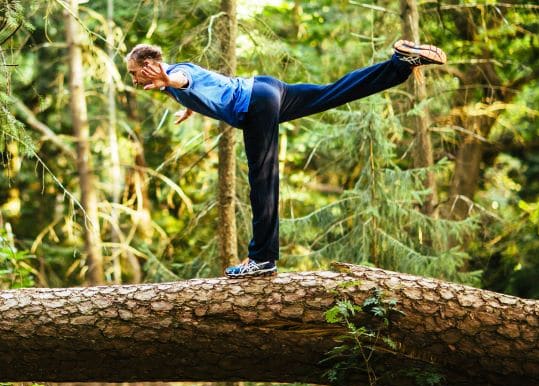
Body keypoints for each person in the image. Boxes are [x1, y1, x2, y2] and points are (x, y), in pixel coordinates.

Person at [125, 40, 446, 278]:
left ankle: (262, 258)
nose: (133, 80)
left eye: (133, 73)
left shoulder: (174, 76)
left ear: (148, 67)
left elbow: (184, 79)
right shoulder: (177, 72)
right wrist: (189, 105)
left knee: (262, 183)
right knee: (333, 92)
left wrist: (172, 83)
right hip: (267, 88)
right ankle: (400, 64)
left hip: (254, 106)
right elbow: (197, 82)